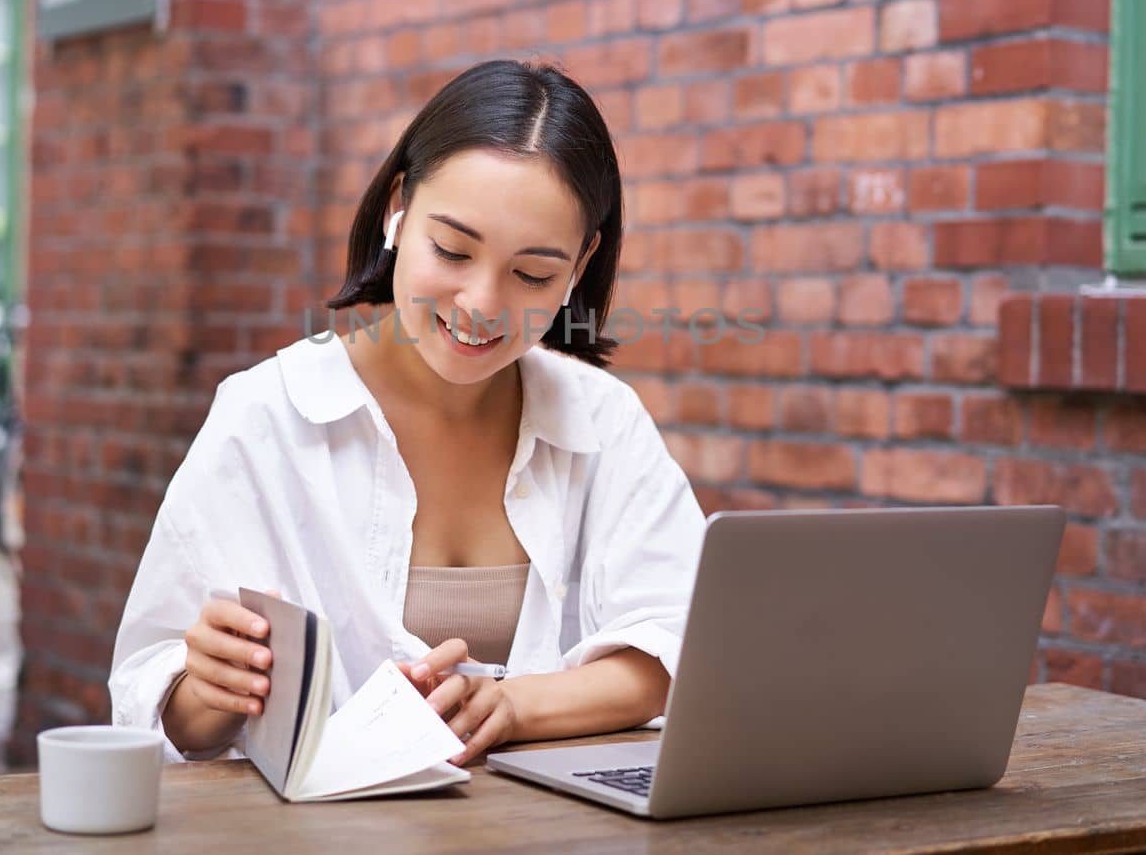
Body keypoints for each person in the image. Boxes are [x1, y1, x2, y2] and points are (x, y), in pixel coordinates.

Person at [109, 60, 706, 767]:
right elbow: (157, 704)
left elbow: (678, 648)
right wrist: (210, 687)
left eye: (533, 273)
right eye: (452, 250)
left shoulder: (604, 422)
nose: (481, 302)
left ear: (582, 263)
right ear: (399, 208)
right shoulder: (268, 415)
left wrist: (514, 705)